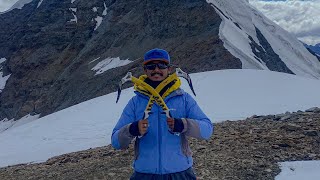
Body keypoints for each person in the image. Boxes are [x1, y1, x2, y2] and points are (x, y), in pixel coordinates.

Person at [111, 48, 213, 180]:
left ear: (169, 69)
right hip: (144, 174)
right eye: (151, 66)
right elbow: (116, 142)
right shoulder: (136, 102)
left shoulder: (183, 99)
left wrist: (183, 125)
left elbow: (207, 130)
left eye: (162, 65)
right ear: (145, 70)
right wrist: (131, 129)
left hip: (180, 173)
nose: (156, 70)